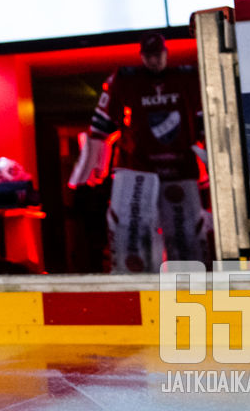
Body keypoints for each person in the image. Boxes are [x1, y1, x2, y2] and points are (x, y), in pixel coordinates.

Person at [69, 33, 209, 273]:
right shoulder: (124, 80)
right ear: (142, 57)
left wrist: (209, 171)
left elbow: (204, 126)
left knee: (184, 233)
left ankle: (193, 287)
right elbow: (100, 127)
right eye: (149, 56)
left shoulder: (188, 78)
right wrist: (88, 172)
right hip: (137, 172)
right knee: (133, 230)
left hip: (181, 171)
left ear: (166, 53)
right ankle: (137, 286)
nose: (154, 61)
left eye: (158, 55)